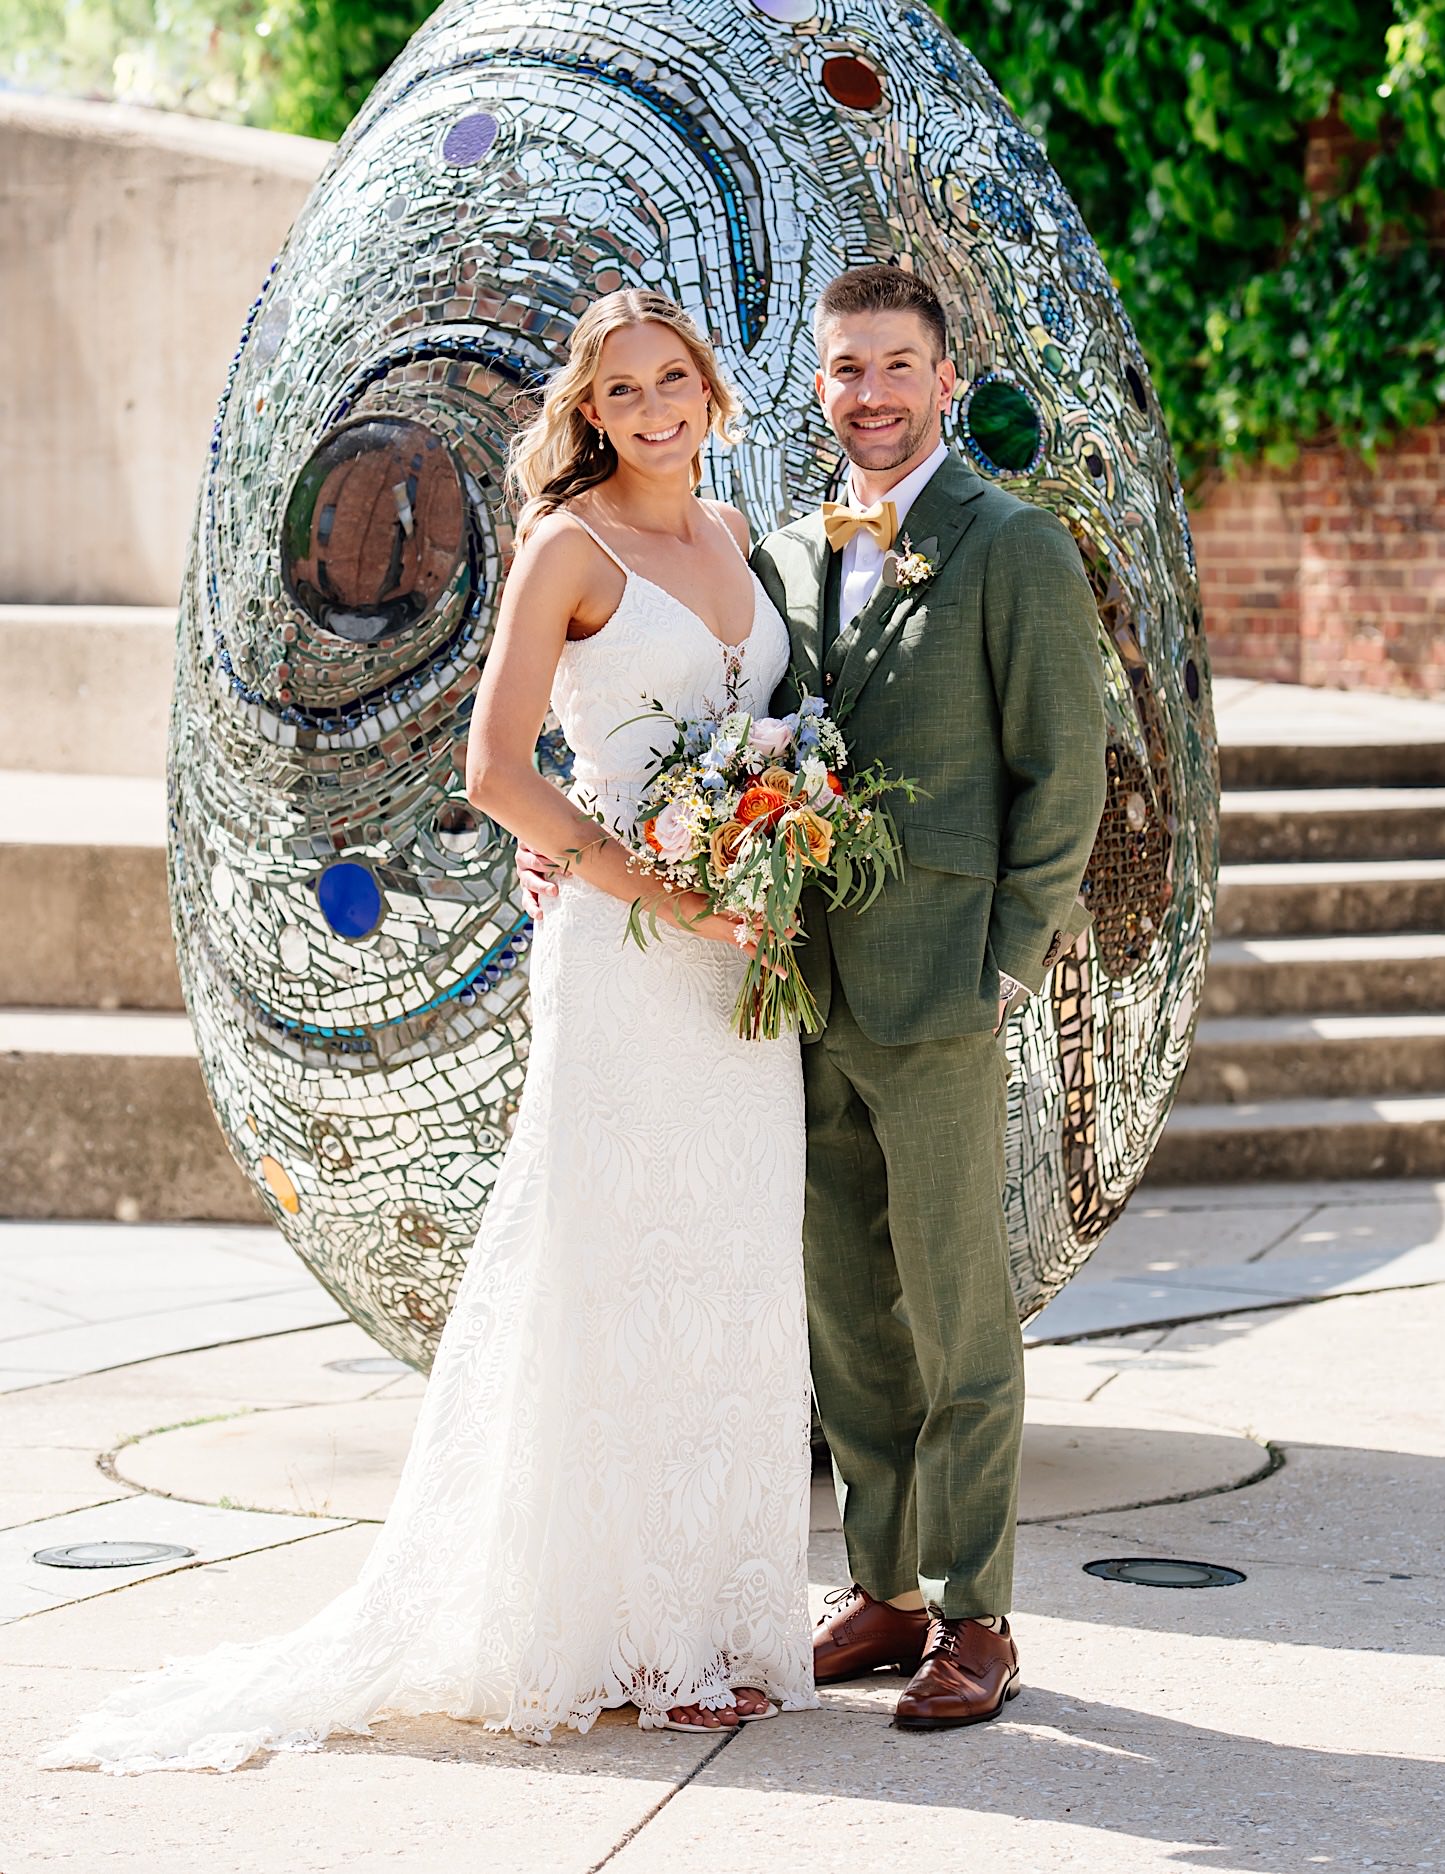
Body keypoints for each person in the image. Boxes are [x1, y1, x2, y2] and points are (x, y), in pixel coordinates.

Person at [39, 289, 817, 1773]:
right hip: (635, 950)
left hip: (744, 965)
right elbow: (497, 768)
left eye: (674, 381)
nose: (653, 408)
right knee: (621, 1267)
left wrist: (776, 851)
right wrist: (660, 883)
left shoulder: (732, 541)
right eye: (623, 391)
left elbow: (770, 724)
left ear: (712, 394)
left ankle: (726, 1614)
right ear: (588, 414)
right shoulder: (567, 550)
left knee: (726, 1267)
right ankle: (642, 1634)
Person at [523, 262, 1107, 1732]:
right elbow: (706, 731)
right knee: (848, 1314)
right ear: (817, 385)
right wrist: (576, 853)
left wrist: (1004, 963)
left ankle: (976, 1615)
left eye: (899, 368)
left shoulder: (1013, 547)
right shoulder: (773, 551)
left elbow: (1066, 778)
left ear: (943, 373)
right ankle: (887, 1586)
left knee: (960, 1306)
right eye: (848, 370)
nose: (873, 396)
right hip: (780, 987)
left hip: (939, 993)